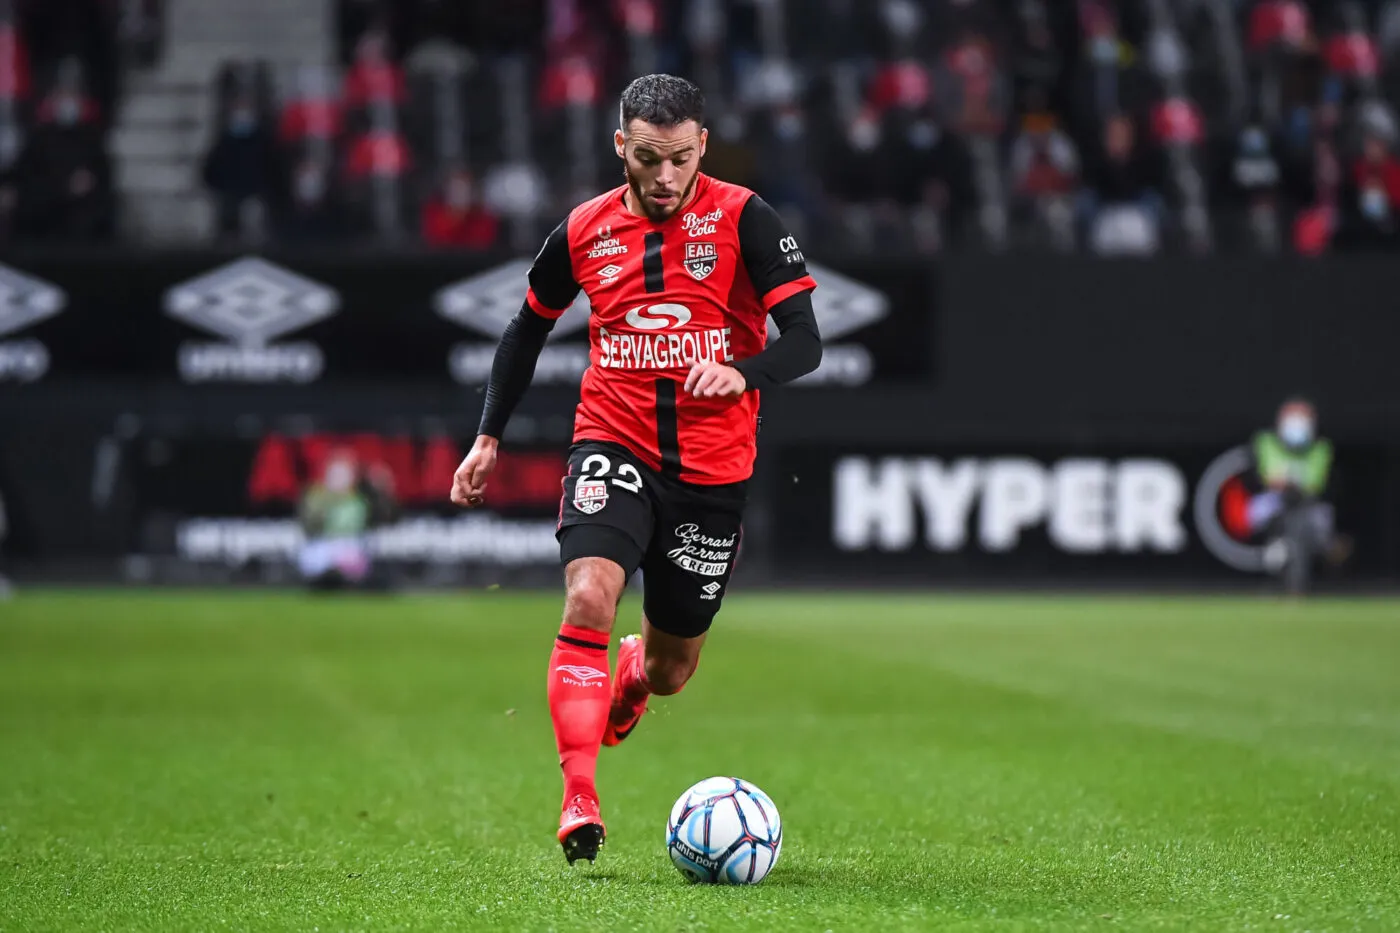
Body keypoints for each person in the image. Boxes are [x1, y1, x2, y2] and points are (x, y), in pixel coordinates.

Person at [449, 74, 822, 865]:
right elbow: (525, 332)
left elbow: (805, 340)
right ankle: (578, 793)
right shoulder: (583, 229)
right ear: (621, 145)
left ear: (702, 148)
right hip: (611, 442)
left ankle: (632, 671)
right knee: (588, 593)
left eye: (681, 158)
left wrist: (745, 371)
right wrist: (488, 437)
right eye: (649, 158)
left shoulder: (746, 218)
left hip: (712, 471)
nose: (665, 177)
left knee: (671, 668)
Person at [1248, 398, 1346, 593]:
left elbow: (1314, 486)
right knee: (1280, 531)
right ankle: (1282, 569)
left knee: (1306, 526)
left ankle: (1301, 583)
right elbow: (1264, 477)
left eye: (1302, 418)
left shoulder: (1320, 449)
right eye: (1292, 418)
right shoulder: (1265, 442)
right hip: (1273, 505)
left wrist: (1291, 484)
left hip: (1306, 506)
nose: (1296, 424)